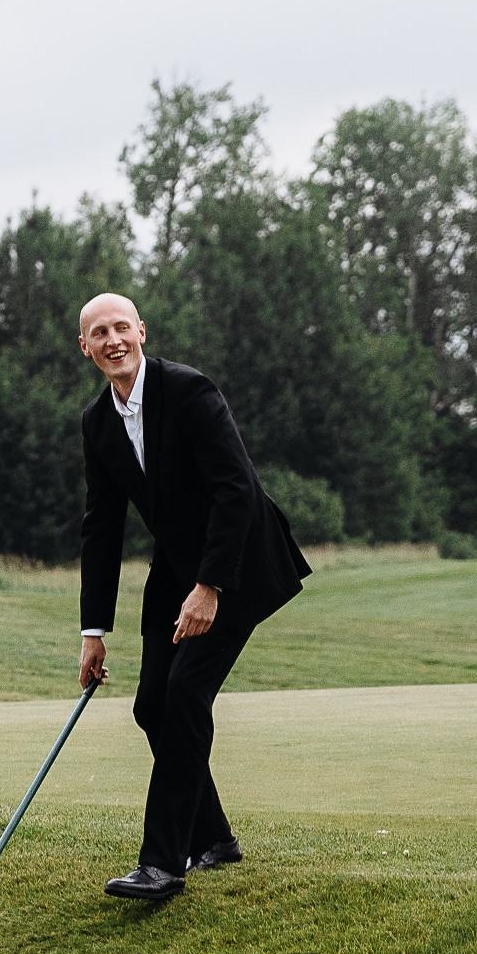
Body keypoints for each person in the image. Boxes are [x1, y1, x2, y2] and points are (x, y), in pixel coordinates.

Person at [75, 293, 311, 901]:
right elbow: (101, 529)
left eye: (121, 327)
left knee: (184, 693)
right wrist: (93, 631)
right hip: (176, 566)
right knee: (151, 705)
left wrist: (210, 588)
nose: (113, 340)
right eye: (99, 333)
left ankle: (162, 863)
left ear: (142, 331)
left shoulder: (191, 391)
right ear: (86, 348)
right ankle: (215, 837)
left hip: (239, 561)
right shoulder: (97, 422)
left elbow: (237, 489)